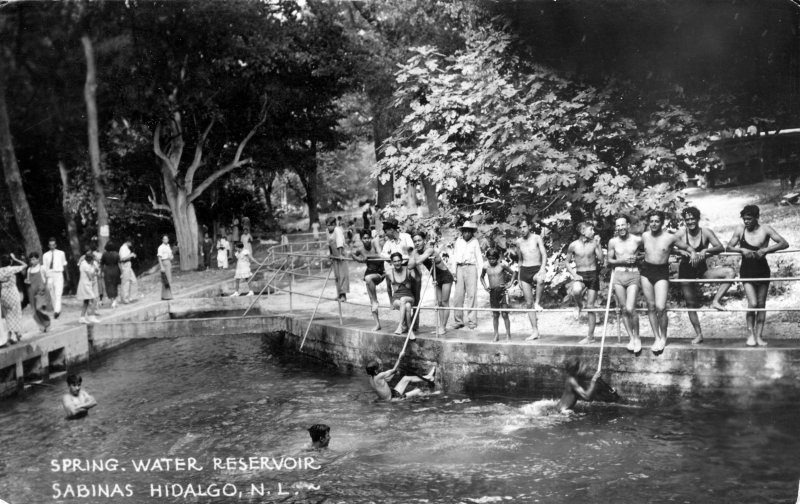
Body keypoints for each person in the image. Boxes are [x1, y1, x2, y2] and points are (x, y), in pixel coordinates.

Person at [726, 204, 789, 347]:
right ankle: (750, 335)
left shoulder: (765, 229)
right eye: (744, 219)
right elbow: (728, 247)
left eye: (749, 219)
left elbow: (784, 243)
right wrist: (741, 250)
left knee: (761, 305)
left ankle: (759, 336)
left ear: (756, 218)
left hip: (762, 270)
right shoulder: (740, 229)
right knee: (752, 303)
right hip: (747, 270)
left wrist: (766, 249)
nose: (746, 221)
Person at [676, 207, 735, 344]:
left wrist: (705, 250)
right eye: (687, 219)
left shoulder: (706, 232)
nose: (690, 221)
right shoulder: (680, 234)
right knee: (691, 304)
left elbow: (720, 247)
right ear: (684, 221)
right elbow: (667, 246)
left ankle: (716, 301)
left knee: (730, 272)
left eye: (692, 218)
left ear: (697, 219)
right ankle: (699, 334)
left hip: (703, 271)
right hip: (686, 272)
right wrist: (680, 252)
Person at [640, 210, 694, 353]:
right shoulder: (645, 236)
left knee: (661, 307)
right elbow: (639, 249)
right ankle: (656, 337)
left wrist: (692, 253)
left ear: (662, 223)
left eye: (656, 221)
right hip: (646, 272)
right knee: (651, 307)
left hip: (661, 272)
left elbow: (687, 247)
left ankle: (663, 337)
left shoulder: (670, 237)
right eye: (651, 221)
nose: (653, 224)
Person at [607, 215, 643, 353]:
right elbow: (609, 260)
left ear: (628, 225)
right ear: (616, 228)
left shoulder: (637, 240)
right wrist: (622, 261)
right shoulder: (612, 242)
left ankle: (638, 337)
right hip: (619, 276)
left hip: (633, 275)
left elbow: (646, 254)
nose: (621, 228)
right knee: (623, 308)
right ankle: (631, 338)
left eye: (623, 225)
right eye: (618, 226)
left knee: (630, 308)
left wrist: (637, 257)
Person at [408, 230, 455, 335]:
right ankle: (440, 327)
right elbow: (410, 266)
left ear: (424, 240)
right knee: (438, 303)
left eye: (419, 240)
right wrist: (414, 254)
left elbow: (419, 261)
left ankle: (443, 327)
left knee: (444, 302)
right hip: (436, 278)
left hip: (446, 276)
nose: (417, 243)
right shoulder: (416, 251)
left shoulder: (429, 250)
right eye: (415, 241)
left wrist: (414, 255)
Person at [566, 222, 604, 344]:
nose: (593, 231)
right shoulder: (573, 245)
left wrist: (598, 245)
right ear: (583, 231)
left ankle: (590, 337)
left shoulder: (594, 243)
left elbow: (601, 260)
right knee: (576, 290)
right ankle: (579, 305)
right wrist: (574, 274)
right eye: (591, 229)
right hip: (580, 275)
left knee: (591, 307)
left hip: (593, 275)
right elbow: (567, 262)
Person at [512, 220, 547, 341]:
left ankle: (538, 302)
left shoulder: (537, 238)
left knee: (541, 280)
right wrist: (519, 276)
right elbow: (520, 260)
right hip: (525, 271)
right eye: (520, 227)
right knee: (528, 303)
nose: (522, 229)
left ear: (529, 227)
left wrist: (542, 268)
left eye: (524, 226)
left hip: (537, 268)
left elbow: (544, 254)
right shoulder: (518, 242)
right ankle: (535, 331)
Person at [351, 229, 386, 331]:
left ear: (371, 238)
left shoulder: (375, 244)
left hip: (380, 272)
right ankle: (377, 324)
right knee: (371, 300)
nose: (366, 240)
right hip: (369, 272)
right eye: (364, 238)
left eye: (368, 238)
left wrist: (367, 256)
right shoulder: (361, 249)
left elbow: (380, 255)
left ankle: (375, 301)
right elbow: (352, 254)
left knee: (368, 278)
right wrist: (359, 259)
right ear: (361, 239)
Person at [451, 221, 484, 331]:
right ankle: (458, 321)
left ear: (471, 232)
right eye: (465, 231)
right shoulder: (458, 241)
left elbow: (479, 257)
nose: (467, 233)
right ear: (462, 232)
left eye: (469, 231)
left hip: (471, 267)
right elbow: (455, 256)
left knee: (472, 295)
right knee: (458, 295)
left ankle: (472, 321)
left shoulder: (475, 242)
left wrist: (481, 273)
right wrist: (454, 272)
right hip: (460, 268)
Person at [480, 248, 516, 342]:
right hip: (492, 292)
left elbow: (513, 273)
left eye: (493, 259)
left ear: (497, 258)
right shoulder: (485, 267)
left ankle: (508, 335)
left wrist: (510, 283)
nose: (492, 261)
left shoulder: (502, 265)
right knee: (495, 315)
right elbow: (481, 277)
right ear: (487, 258)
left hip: (503, 291)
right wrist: (485, 286)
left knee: (504, 314)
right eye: (490, 259)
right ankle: (496, 335)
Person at [366, 357, 437, 401]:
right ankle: (435, 393)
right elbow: (393, 369)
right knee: (418, 390)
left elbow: (388, 379)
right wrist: (400, 357)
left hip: (392, 394)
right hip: (393, 399)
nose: (380, 367)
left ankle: (428, 377)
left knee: (405, 378)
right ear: (375, 371)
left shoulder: (371, 379)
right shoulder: (379, 376)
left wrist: (394, 372)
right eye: (379, 367)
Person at [381, 218, 415, 305]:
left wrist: (402, 257)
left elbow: (411, 249)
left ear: (391, 230)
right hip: (397, 267)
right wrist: (393, 257)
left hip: (409, 266)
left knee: (415, 285)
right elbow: (383, 254)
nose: (385, 234)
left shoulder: (406, 237)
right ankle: (394, 303)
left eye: (386, 231)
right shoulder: (389, 242)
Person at [386, 252, 416, 338]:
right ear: (391, 262)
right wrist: (391, 303)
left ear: (402, 261)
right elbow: (388, 289)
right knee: (407, 305)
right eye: (395, 261)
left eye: (399, 261)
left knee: (404, 300)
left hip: (409, 297)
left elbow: (415, 283)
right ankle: (410, 331)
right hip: (396, 299)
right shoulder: (389, 273)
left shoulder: (408, 270)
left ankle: (400, 325)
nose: (397, 263)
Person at [0, 253, 28, 344]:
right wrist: (15, 258)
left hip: (3, 293)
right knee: (16, 312)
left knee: (7, 314)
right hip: (12, 292)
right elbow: (25, 265)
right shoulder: (11, 269)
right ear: (10, 261)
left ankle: (9, 335)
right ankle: (17, 334)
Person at [25, 252, 52, 333]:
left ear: (37, 259)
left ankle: (47, 321)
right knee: (34, 311)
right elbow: (28, 280)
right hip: (31, 290)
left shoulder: (42, 268)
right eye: (31, 259)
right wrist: (26, 281)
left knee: (39, 307)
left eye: (34, 259)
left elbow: (47, 277)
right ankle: (41, 326)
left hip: (41, 290)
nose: (32, 261)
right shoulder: (29, 269)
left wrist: (46, 286)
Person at [42, 237, 68, 319]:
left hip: (58, 273)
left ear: (55, 245)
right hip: (50, 274)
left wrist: (67, 276)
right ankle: (56, 309)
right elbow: (45, 267)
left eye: (53, 245)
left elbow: (64, 264)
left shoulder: (61, 253)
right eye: (50, 245)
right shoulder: (45, 255)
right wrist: (45, 277)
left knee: (58, 292)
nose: (52, 246)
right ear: (48, 246)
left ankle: (57, 311)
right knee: (52, 293)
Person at [326, 216, 350, 302]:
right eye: (327, 225)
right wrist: (330, 254)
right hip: (335, 256)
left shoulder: (337, 230)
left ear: (334, 225)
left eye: (330, 225)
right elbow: (329, 243)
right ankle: (339, 294)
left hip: (341, 255)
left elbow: (340, 242)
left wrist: (340, 255)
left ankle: (343, 296)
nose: (329, 227)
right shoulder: (327, 231)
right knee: (337, 276)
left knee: (342, 275)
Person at [77, 251, 101, 324]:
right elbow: (90, 277)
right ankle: (91, 316)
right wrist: (95, 273)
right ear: (89, 260)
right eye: (92, 260)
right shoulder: (85, 265)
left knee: (86, 302)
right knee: (94, 299)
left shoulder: (86, 263)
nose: (93, 261)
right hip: (85, 285)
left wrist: (95, 270)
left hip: (87, 284)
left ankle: (82, 317)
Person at [100, 242, 121, 308]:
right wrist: (122, 272)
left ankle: (112, 300)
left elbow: (102, 264)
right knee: (115, 285)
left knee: (109, 285)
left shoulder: (104, 254)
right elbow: (119, 264)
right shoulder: (116, 254)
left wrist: (101, 272)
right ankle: (115, 299)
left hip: (107, 270)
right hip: (115, 270)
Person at [119, 237, 138, 304]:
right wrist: (131, 255)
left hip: (129, 265)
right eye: (131, 243)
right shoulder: (123, 248)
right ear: (127, 242)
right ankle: (125, 299)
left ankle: (132, 297)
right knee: (126, 282)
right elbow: (122, 258)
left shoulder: (126, 248)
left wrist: (131, 256)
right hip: (125, 265)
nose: (131, 244)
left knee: (134, 280)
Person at [157, 235, 174, 300]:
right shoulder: (161, 247)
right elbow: (159, 257)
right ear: (162, 240)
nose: (165, 240)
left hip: (168, 261)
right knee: (166, 279)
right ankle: (167, 295)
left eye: (166, 239)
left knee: (168, 279)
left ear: (168, 240)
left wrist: (171, 257)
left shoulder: (168, 246)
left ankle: (165, 295)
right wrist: (161, 266)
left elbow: (170, 255)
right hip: (164, 262)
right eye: (164, 239)